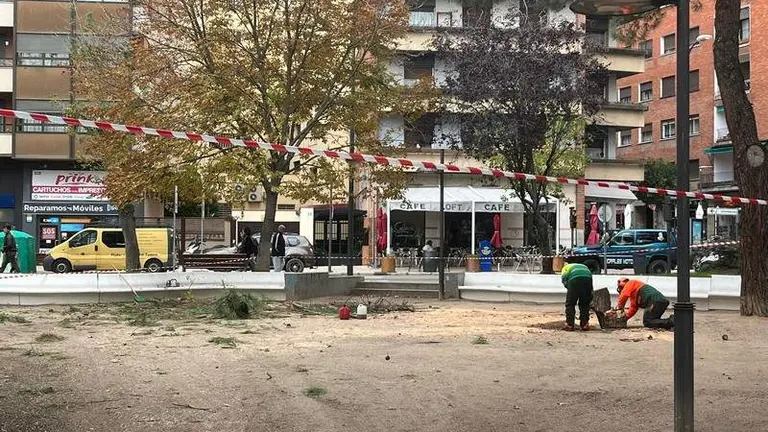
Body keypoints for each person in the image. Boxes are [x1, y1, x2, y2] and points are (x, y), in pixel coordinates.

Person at [610, 278, 674, 330]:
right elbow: (632, 309)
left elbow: (624, 295)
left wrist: (619, 308)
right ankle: (670, 323)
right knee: (652, 321)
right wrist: (623, 319)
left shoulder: (630, 283)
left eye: (621, 288)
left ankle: (673, 321)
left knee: (648, 321)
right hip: (658, 302)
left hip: (655, 300)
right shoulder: (634, 295)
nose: (621, 290)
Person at [559, 262, 593, 331]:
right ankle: (584, 324)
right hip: (587, 278)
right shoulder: (584, 266)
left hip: (574, 279)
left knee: (570, 303)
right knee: (585, 303)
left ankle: (569, 324)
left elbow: (565, 281)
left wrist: (572, 292)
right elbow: (590, 281)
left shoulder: (565, 268)